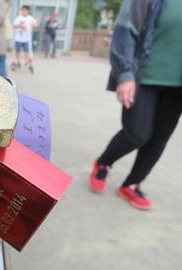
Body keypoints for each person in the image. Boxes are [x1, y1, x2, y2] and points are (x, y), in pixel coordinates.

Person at [89, 0, 182, 211]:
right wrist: (124, 74)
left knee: (159, 139)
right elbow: (125, 29)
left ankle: (132, 183)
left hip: (178, 87)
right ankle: (103, 162)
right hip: (143, 77)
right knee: (137, 134)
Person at [12, 5, 38, 74]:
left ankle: (28, 63)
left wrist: (32, 25)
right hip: (18, 39)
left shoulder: (30, 18)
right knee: (17, 51)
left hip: (26, 39)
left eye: (25, 10)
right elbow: (14, 25)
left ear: (28, 11)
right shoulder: (19, 18)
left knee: (27, 52)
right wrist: (20, 26)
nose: (24, 12)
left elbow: (36, 25)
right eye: (23, 10)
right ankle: (17, 62)